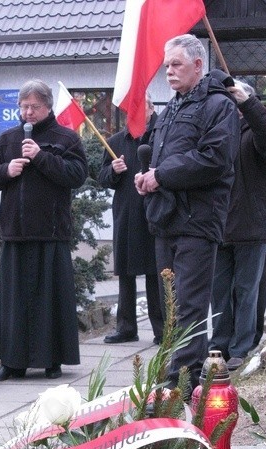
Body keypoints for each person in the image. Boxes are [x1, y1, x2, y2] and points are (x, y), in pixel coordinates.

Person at [135, 34, 240, 392]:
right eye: (166, 65)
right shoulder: (171, 108)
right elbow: (163, 159)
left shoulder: (219, 106)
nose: (169, 71)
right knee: (170, 308)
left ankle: (182, 385)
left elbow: (214, 160)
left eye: (176, 64)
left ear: (198, 65)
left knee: (189, 309)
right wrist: (147, 176)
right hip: (167, 219)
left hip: (198, 222)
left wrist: (160, 175)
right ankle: (173, 378)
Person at [0, 79, 88, 381]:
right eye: (24, 106)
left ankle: (53, 360)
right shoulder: (6, 140)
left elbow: (77, 175)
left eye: (34, 107)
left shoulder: (65, 138)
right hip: (16, 231)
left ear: (48, 106)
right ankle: (11, 363)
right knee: (14, 304)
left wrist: (41, 157)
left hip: (50, 232)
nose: (28, 112)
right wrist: (6, 170)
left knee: (50, 300)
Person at [209, 80, 266, 370]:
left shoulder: (257, 133)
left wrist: (248, 103)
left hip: (252, 227)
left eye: (236, 99)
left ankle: (241, 347)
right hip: (221, 225)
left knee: (246, 290)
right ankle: (219, 346)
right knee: (219, 292)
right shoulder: (221, 131)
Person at [98, 95, 164, 345]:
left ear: (151, 108)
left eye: (138, 108)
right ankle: (126, 327)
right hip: (126, 214)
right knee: (125, 273)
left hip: (155, 213)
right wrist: (112, 171)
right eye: (129, 110)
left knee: (155, 273)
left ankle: (161, 329)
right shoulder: (116, 142)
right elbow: (102, 177)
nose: (133, 115)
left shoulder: (161, 137)